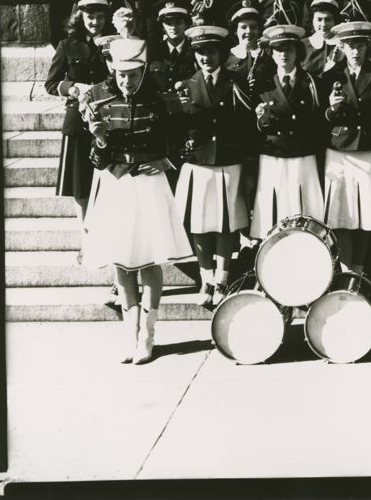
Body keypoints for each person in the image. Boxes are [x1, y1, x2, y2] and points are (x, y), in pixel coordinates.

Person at [80, 38, 192, 364]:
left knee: (149, 259)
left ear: (143, 71)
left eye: (133, 74)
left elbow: (186, 137)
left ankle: (148, 334)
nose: (126, 81)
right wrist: (99, 138)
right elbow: (97, 160)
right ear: (113, 70)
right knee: (120, 260)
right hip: (116, 185)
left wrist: (166, 162)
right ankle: (129, 334)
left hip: (150, 185)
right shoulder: (100, 101)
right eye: (121, 74)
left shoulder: (158, 100)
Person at [173, 25, 257, 306]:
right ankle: (205, 279)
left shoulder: (237, 82)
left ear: (221, 52)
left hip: (227, 162)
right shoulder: (184, 85)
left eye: (211, 51)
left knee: (225, 226)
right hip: (198, 164)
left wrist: (247, 164)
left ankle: (222, 279)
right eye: (200, 52)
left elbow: (247, 128)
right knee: (199, 225)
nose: (206, 58)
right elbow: (176, 127)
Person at [321, 21, 371, 273]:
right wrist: (331, 109)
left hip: (367, 150)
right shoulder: (330, 76)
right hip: (338, 152)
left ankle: (359, 271)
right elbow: (320, 119)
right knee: (340, 216)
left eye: (360, 45)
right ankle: (345, 271)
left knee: (365, 216)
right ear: (341, 46)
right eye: (350, 46)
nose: (355, 51)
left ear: (366, 46)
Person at [251, 24, 325, 241]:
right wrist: (262, 121)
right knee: (274, 214)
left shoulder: (311, 82)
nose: (284, 54)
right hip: (274, 157)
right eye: (278, 49)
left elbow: (318, 122)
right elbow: (256, 127)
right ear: (272, 54)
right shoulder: (261, 84)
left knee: (306, 213)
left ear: (297, 53)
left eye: (289, 49)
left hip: (303, 157)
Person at [45, 0, 112, 220]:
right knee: (80, 184)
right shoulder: (67, 45)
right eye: (90, 17)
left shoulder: (114, 43)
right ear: (81, 18)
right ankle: (85, 237)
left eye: (100, 17)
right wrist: (72, 88)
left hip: (108, 119)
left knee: (107, 180)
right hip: (77, 120)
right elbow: (51, 83)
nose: (95, 22)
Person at [146, 0, 196, 93]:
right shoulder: (154, 52)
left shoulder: (195, 50)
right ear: (162, 27)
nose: (173, 27)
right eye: (168, 23)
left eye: (178, 22)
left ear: (186, 24)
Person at [300, 0, 345, 76]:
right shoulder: (302, 45)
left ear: (335, 20)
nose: (323, 24)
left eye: (328, 19)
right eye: (319, 19)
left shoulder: (344, 44)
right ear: (312, 20)